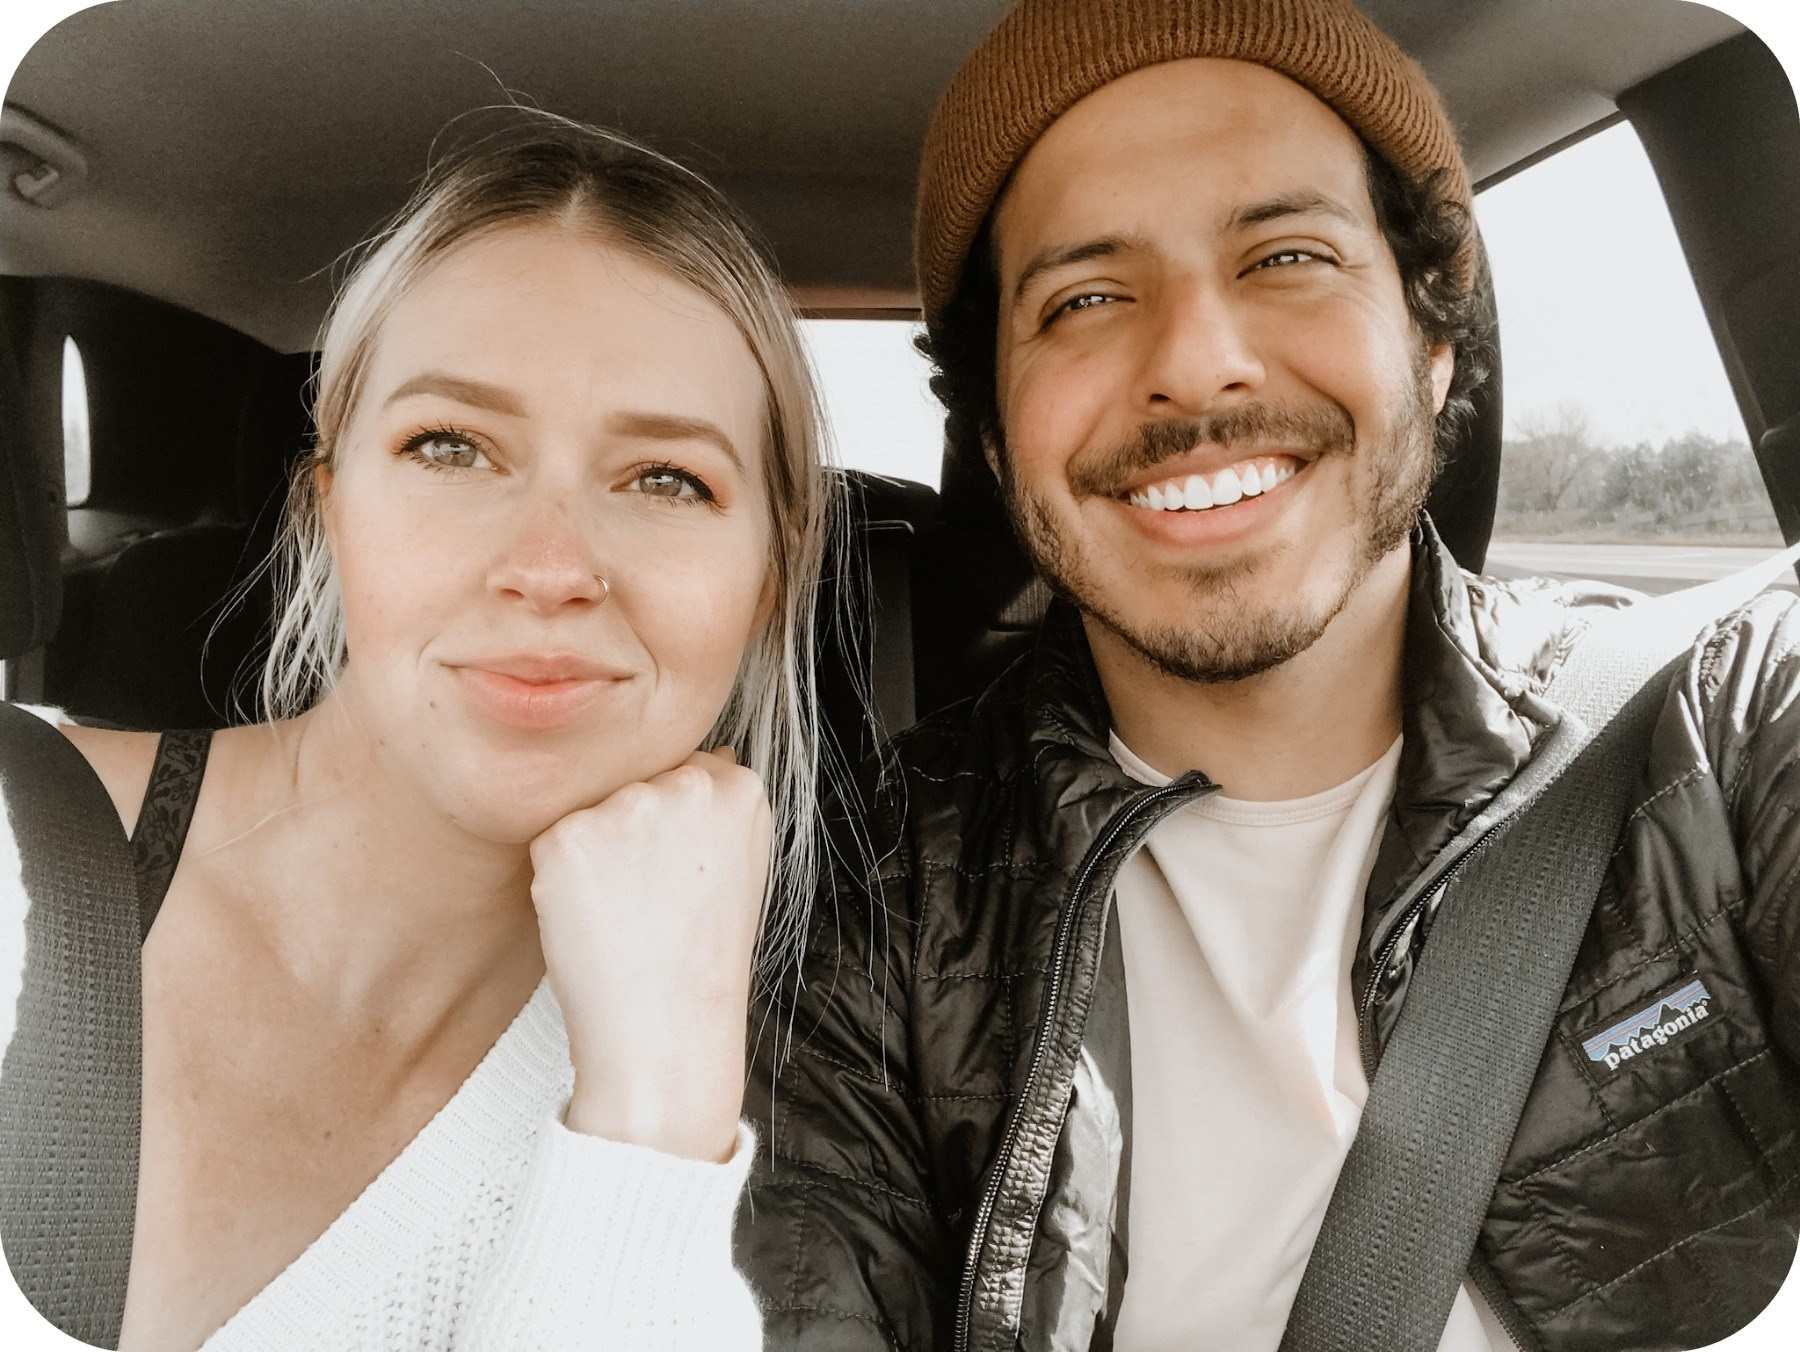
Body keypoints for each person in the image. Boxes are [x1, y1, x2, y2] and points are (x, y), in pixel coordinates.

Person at [735, 2, 1800, 1350]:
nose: (1193, 360)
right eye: (1086, 299)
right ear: (997, 439)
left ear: (1433, 340)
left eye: (1287, 256)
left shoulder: (1719, 730)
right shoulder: (871, 900)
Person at [0, 112, 842, 1350]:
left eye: (667, 477)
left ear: (771, 571)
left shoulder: (820, 1113)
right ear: (330, 507)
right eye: (452, 446)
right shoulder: (18, 855)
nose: (550, 567)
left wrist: (652, 1119)